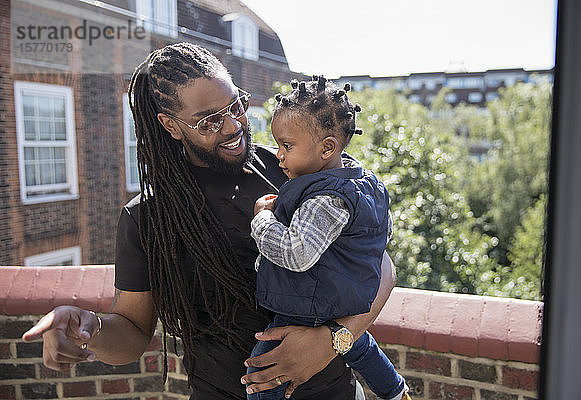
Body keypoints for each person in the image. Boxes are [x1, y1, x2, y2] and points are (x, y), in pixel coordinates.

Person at [21, 43, 396, 400]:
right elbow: (132, 335)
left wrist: (334, 341)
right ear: (170, 125)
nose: (233, 126)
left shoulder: (291, 171)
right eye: (209, 121)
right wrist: (90, 328)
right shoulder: (148, 218)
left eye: (236, 106)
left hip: (335, 391)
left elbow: (379, 265)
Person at [247, 76, 409, 400]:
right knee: (360, 346)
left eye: (287, 146)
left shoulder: (325, 198)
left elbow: (297, 253)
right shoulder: (363, 182)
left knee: (261, 372)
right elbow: (382, 231)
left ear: (327, 148)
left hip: (306, 303)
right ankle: (395, 391)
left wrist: (261, 219)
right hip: (339, 301)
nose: (278, 155)